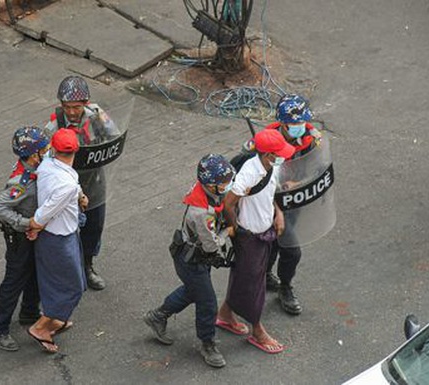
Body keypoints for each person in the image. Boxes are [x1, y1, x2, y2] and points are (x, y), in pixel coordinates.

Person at [143, 154, 236, 368]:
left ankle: (158, 316)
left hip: (193, 255)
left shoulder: (208, 192)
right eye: (224, 183)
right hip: (191, 259)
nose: (228, 185)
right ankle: (207, 343)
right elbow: (211, 245)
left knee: (193, 291)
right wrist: (228, 232)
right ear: (210, 185)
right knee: (208, 301)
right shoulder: (201, 213)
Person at [216, 129, 294, 354]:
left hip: (265, 229)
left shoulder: (272, 167)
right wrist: (234, 229)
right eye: (278, 153)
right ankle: (257, 330)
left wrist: (277, 213)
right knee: (254, 284)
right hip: (249, 235)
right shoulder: (249, 173)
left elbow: (271, 194)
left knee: (245, 276)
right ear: (268, 154)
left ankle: (225, 314)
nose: (281, 156)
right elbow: (229, 204)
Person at [45, 75, 120, 290]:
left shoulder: (96, 117)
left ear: (85, 103)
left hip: (94, 183)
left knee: (94, 227)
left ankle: (87, 266)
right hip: (67, 188)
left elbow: (113, 138)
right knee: (65, 231)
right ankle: (66, 271)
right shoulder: (54, 125)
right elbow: (45, 158)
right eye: (67, 107)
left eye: (76, 107)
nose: (71, 112)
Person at [0, 126, 51, 351]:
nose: (48, 150)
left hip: (34, 236)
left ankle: (29, 313)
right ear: (33, 155)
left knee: (34, 273)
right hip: (19, 238)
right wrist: (26, 223)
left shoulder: (37, 167)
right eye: (44, 148)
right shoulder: (20, 183)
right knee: (14, 281)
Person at [26, 129, 87, 354]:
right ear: (76, 150)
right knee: (73, 287)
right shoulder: (66, 184)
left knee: (55, 282)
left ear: (53, 148)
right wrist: (34, 226)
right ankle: (42, 327)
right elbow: (45, 213)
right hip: (59, 238)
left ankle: (56, 320)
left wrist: (80, 195)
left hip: (56, 236)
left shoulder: (47, 165)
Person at [264, 94, 321, 315]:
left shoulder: (310, 138)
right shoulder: (266, 138)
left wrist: (296, 183)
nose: (299, 127)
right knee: (290, 250)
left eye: (301, 122)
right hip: (271, 202)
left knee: (278, 243)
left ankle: (269, 276)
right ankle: (283, 286)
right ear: (282, 122)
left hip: (295, 199)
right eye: (294, 123)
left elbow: (318, 168)